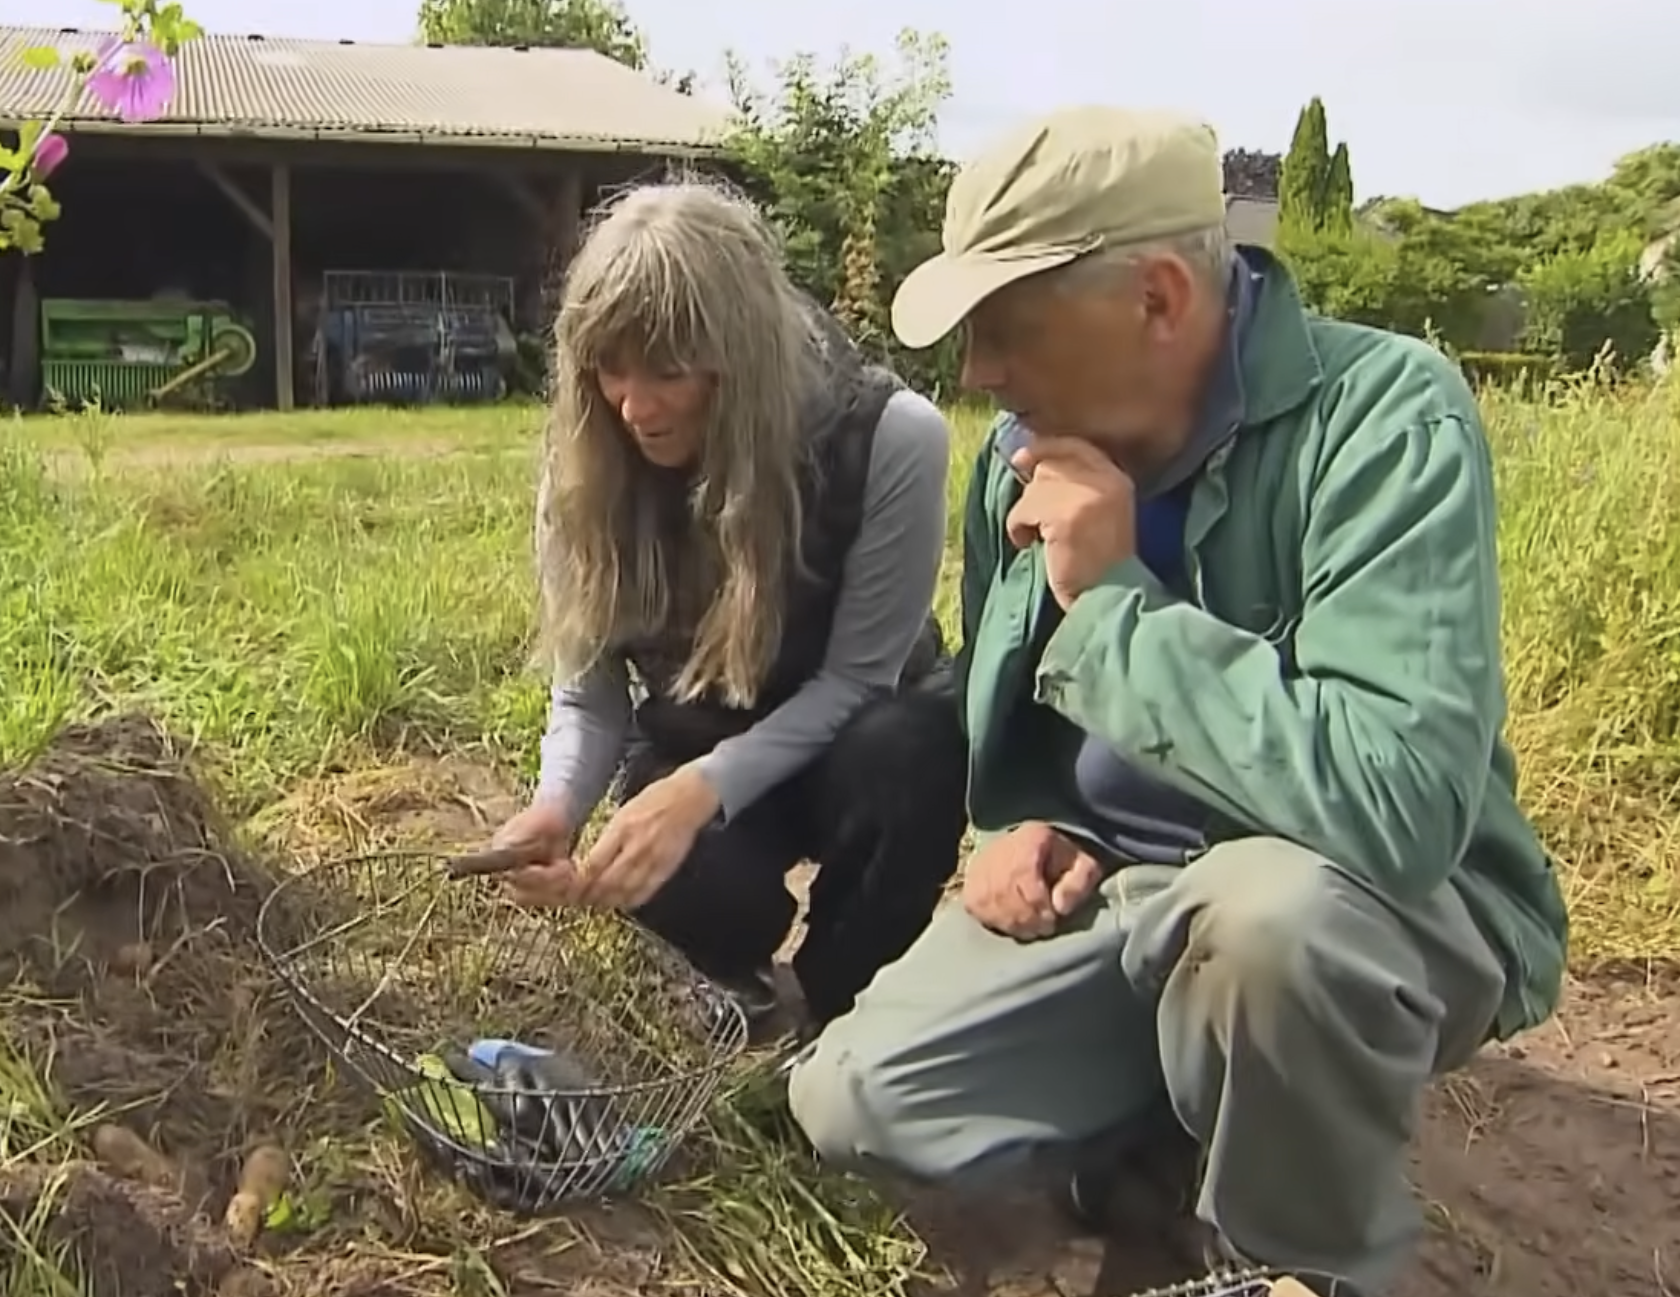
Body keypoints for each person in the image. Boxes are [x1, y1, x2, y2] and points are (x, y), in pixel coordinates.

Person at [784, 106, 1570, 1295]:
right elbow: (1019, 718)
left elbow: (1399, 807)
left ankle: (1300, 1259)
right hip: (1125, 890)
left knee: (1264, 926)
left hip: (1359, 902)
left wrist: (1112, 608)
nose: (981, 371)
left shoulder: (1386, 420)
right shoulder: (1021, 454)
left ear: (1156, 297)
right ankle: (1174, 1126)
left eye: (1005, 329)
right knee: (854, 1099)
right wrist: (1014, 826)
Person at [490, 180, 968, 1038]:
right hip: (691, 734)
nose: (634, 405)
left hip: (853, 734)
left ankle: (842, 999)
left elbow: (860, 678)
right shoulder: (581, 469)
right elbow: (587, 693)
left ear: (742, 357)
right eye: (610, 368)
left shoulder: (891, 437)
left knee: (912, 755)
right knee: (677, 881)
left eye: (671, 371)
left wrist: (702, 792)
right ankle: (730, 965)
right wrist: (557, 806)